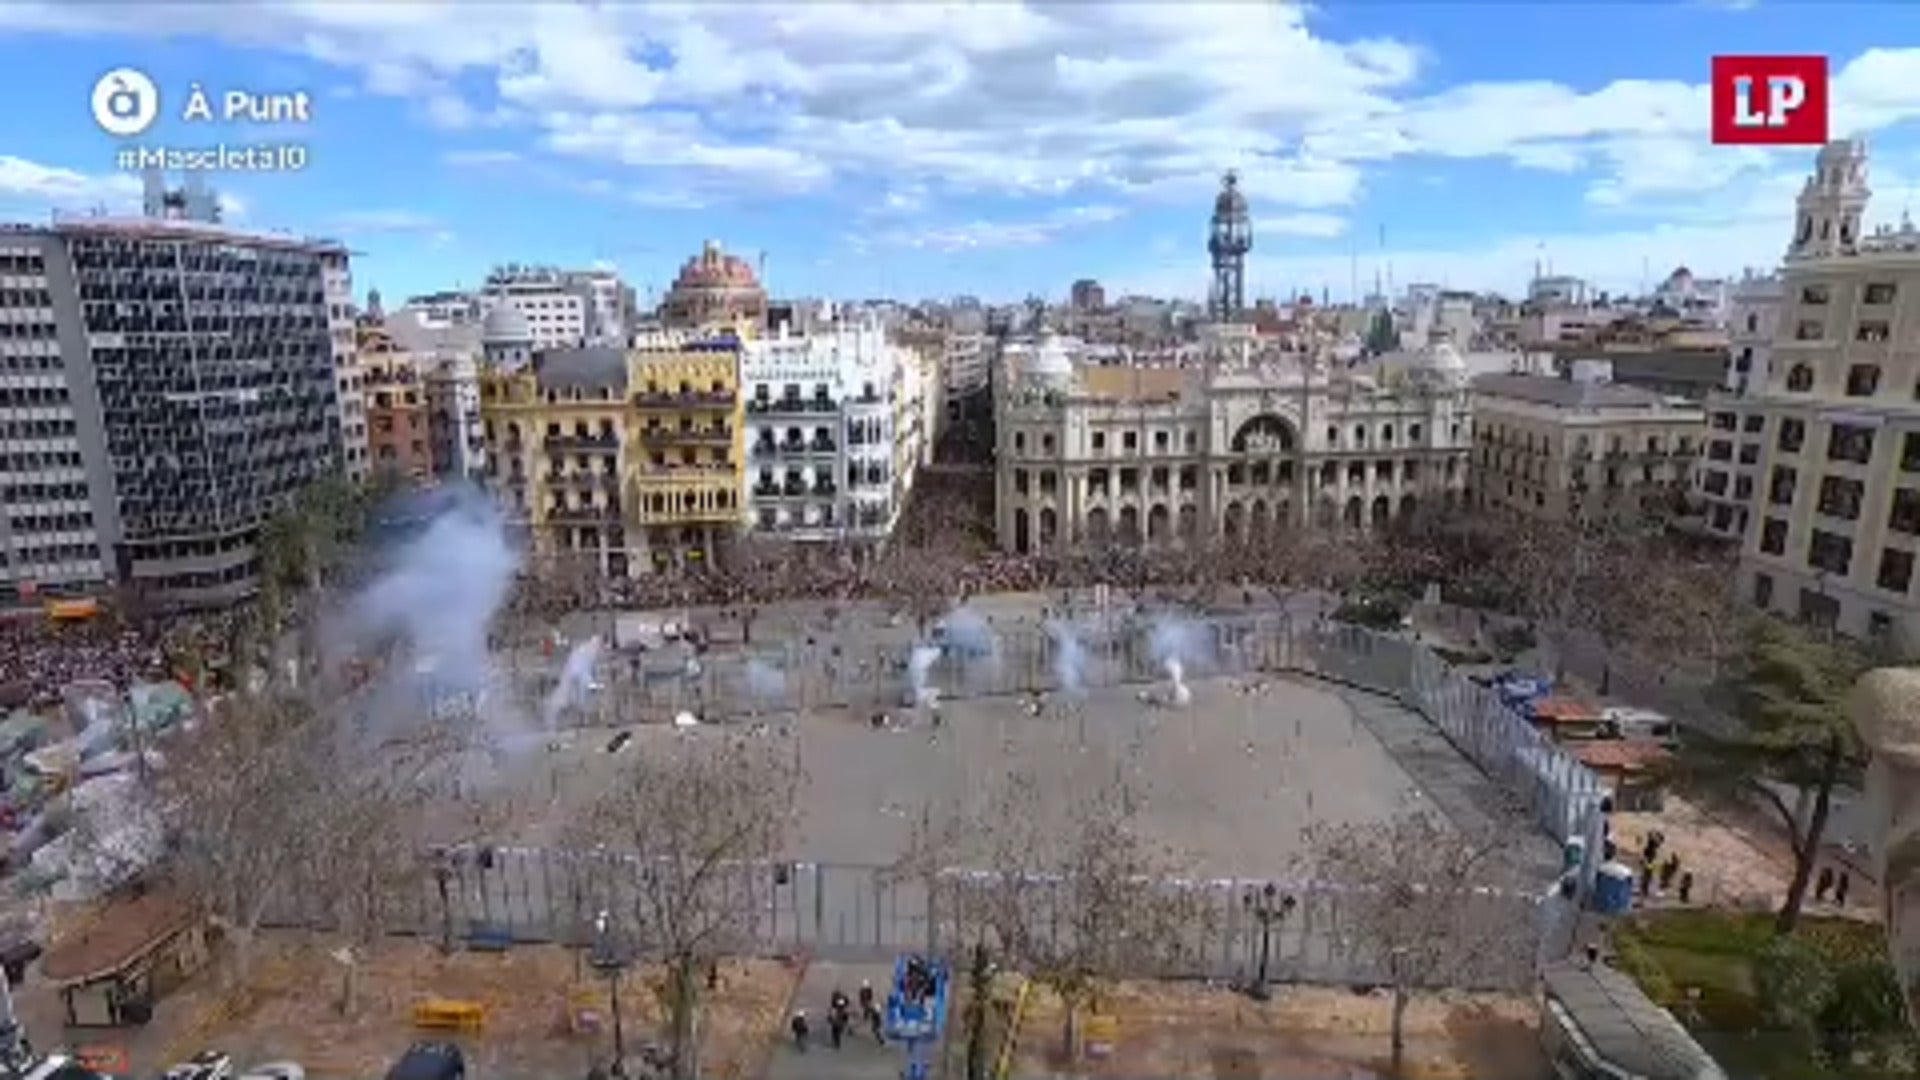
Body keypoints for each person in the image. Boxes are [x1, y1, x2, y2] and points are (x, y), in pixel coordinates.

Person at [859, 979, 883, 1044]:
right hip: (865, 1003)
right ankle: (865, 1016)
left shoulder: (869, 990)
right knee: (876, 1030)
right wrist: (864, 1003)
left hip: (876, 1022)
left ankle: (880, 1039)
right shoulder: (862, 991)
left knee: (876, 1030)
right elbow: (861, 998)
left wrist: (869, 1001)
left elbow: (870, 996)